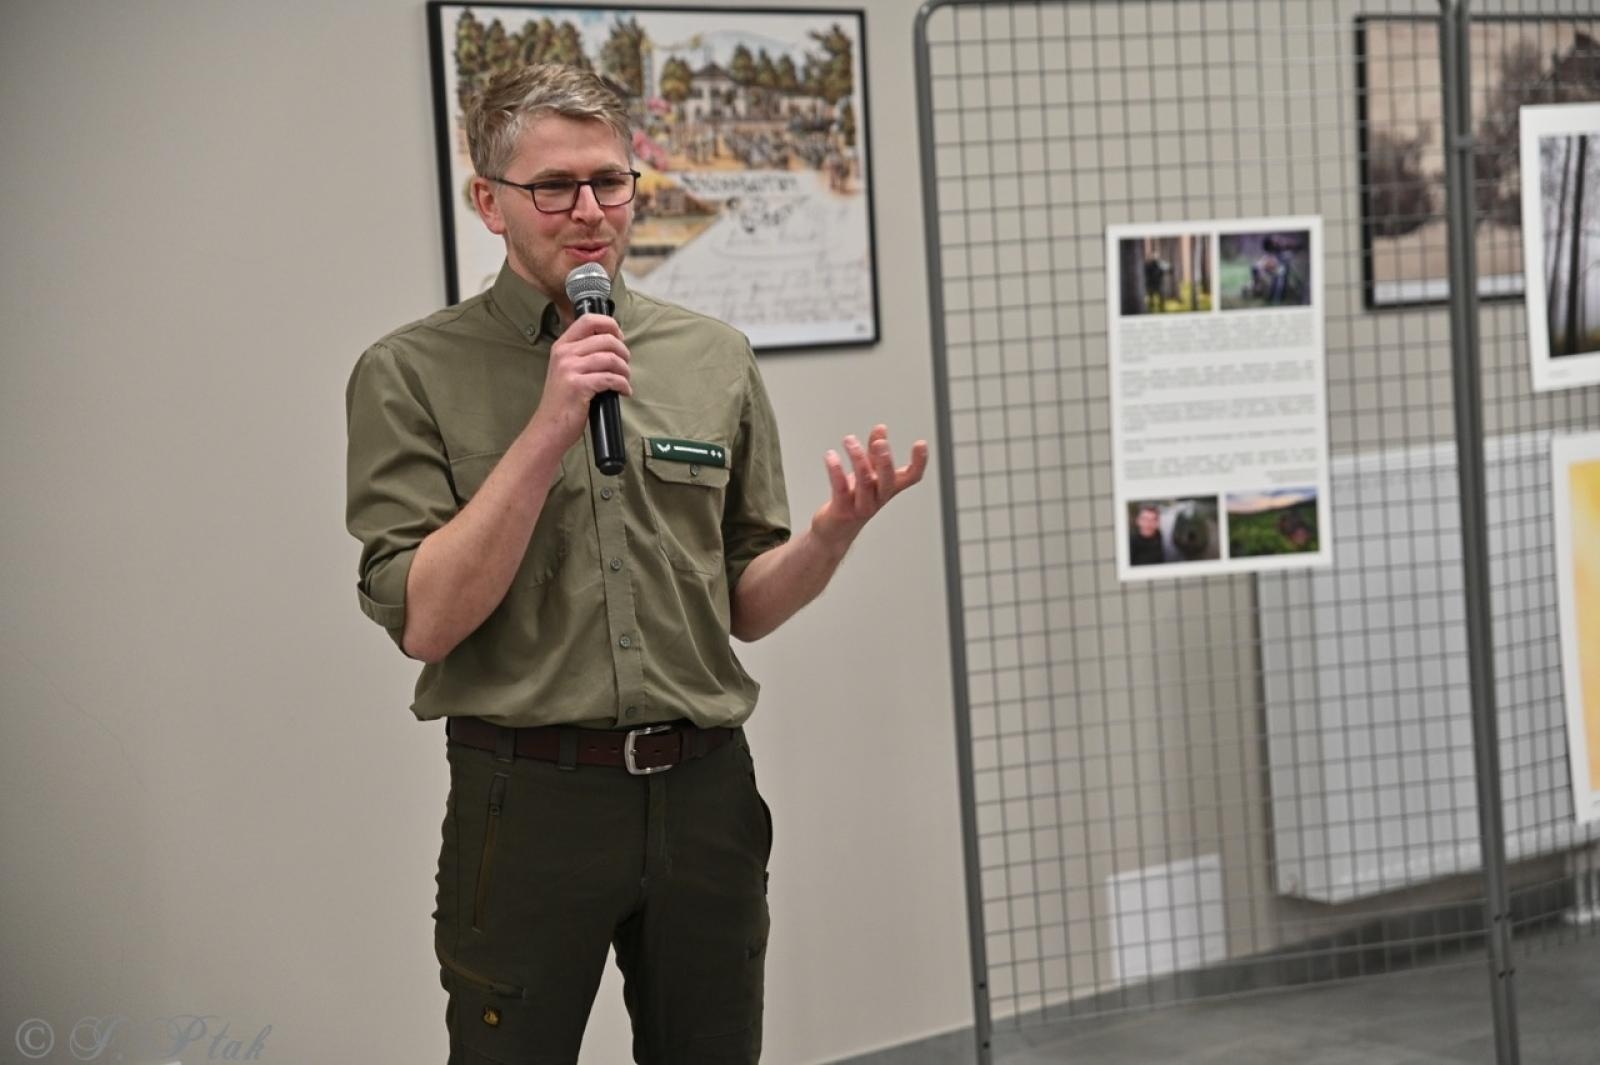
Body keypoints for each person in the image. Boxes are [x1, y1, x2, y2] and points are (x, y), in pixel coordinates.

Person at [344, 64, 926, 1065]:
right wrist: (548, 427)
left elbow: (742, 603)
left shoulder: (711, 356)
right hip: (529, 801)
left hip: (704, 795)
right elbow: (426, 623)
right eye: (553, 187)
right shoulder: (408, 372)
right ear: (488, 201)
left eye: (610, 182)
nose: (588, 212)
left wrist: (830, 536)